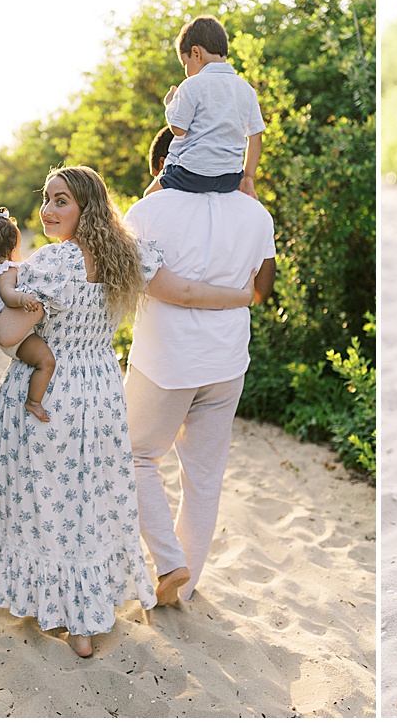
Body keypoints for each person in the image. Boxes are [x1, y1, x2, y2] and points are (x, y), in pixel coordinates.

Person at [0, 166, 256, 657]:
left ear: (85, 208)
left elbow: (9, 335)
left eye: (61, 201)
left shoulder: (53, 263)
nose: (48, 210)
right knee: (88, 506)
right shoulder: (129, 256)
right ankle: (84, 624)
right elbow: (182, 292)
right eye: (48, 200)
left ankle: (57, 608)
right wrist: (242, 296)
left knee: (48, 503)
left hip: (51, 394)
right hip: (100, 393)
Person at [123, 134, 278, 608]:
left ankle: (170, 563)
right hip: (227, 360)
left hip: (165, 362)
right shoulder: (255, 212)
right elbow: (263, 290)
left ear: (163, 165)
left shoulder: (147, 211)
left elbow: (134, 284)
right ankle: (183, 589)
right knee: (203, 479)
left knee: (135, 457)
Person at [146, 15, 264, 197]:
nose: (186, 71)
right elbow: (255, 136)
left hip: (192, 174)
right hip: (230, 178)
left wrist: (170, 105)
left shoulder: (192, 85)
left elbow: (178, 129)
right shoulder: (246, 89)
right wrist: (247, 178)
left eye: (185, 64)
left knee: (149, 196)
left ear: (196, 53)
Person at [0, 207, 56, 423]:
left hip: (3, 340)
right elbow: (7, 295)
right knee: (46, 362)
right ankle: (33, 401)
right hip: (19, 337)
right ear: (11, 250)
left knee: (38, 361)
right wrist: (22, 299)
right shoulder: (5, 271)